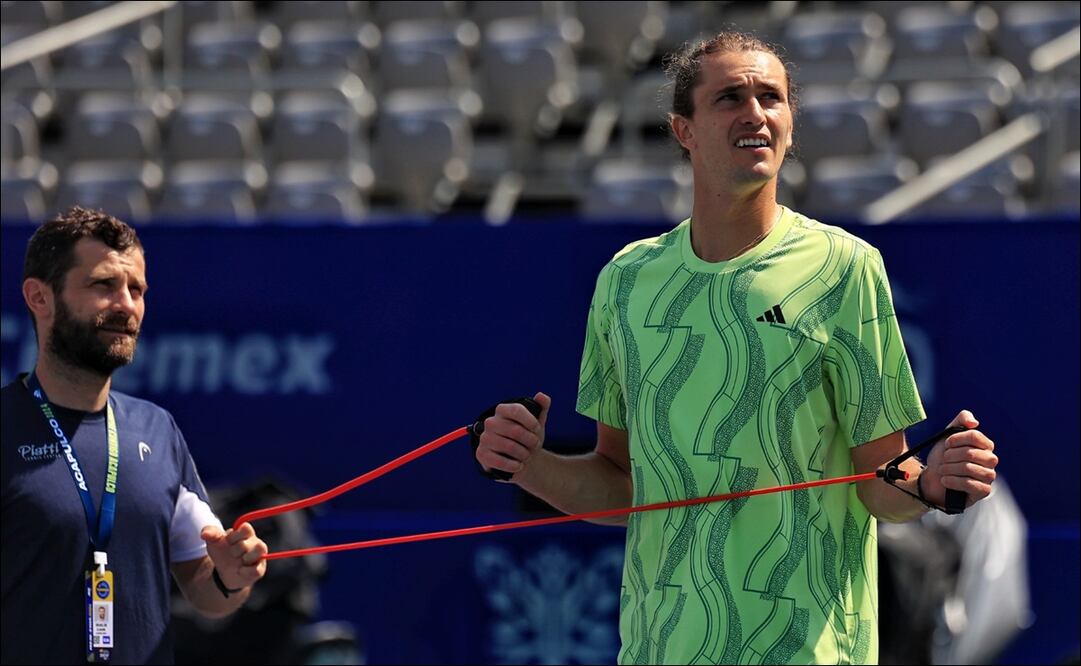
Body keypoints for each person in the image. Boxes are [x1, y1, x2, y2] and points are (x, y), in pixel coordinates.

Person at [475, 32, 999, 665]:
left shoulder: (846, 267)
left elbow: (878, 483)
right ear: (684, 130)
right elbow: (622, 487)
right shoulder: (624, 281)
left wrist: (928, 483)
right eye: (730, 97)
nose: (755, 113)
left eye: (770, 97)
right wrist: (528, 462)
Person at [1, 206, 269, 664]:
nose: (126, 304)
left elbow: (206, 590)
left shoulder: (157, 430)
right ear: (39, 298)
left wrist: (230, 574)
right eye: (104, 285)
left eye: (137, 289)